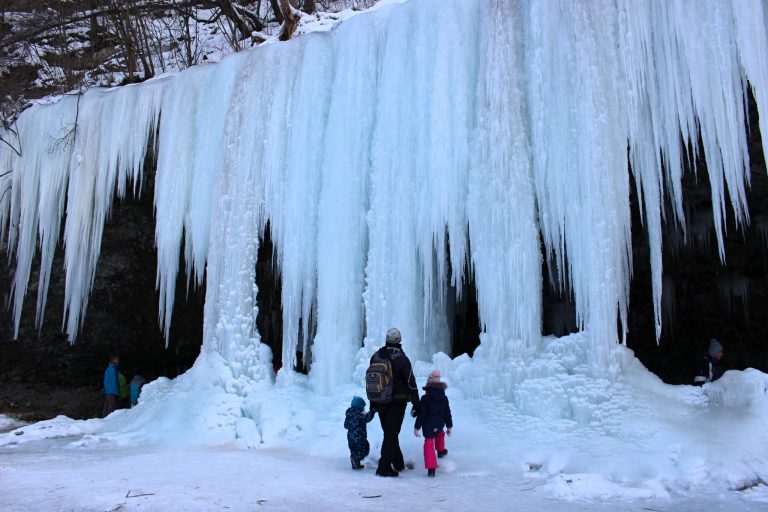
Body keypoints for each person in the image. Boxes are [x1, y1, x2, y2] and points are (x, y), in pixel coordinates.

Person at [372, 327, 420, 477]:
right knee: (391, 434)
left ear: (386, 339)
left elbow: (372, 380)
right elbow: (411, 383)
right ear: (399, 341)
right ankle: (383, 467)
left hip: (379, 401)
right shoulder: (402, 359)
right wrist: (416, 403)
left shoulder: (376, 356)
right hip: (396, 402)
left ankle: (398, 463)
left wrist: (372, 403)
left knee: (390, 433)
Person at [414, 369, 453, 477]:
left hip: (428, 426)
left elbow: (422, 415)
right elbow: (447, 413)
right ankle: (441, 451)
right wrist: (449, 427)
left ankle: (431, 469)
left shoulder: (425, 398)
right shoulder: (444, 398)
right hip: (440, 424)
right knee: (440, 433)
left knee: (429, 444)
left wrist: (417, 428)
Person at [344, 396, 376, 469]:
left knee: (354, 450)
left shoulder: (349, 414)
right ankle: (356, 459)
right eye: (363, 407)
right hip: (359, 437)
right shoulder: (358, 414)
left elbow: (345, 426)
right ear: (359, 407)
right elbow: (367, 418)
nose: (364, 409)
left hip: (350, 437)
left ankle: (355, 464)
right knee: (364, 449)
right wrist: (373, 411)